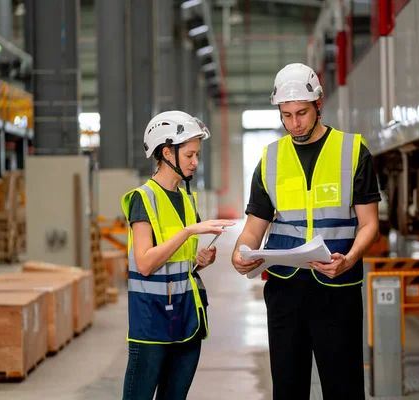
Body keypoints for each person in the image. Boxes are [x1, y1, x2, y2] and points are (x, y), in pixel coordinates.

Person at [231, 63, 381, 400]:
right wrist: (241, 251)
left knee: (343, 388)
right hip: (285, 291)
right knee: (288, 388)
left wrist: (351, 258)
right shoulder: (270, 159)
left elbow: (370, 224)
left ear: (318, 105)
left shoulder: (353, 151)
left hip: (337, 287)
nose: (294, 123)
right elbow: (255, 226)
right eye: (286, 115)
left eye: (301, 113)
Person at [120, 110, 234, 400]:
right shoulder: (143, 199)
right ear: (167, 152)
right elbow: (145, 263)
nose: (196, 162)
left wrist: (199, 262)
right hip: (151, 322)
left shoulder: (186, 198)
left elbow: (177, 264)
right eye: (190, 155)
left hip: (186, 319)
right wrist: (187, 232)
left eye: (197, 155)